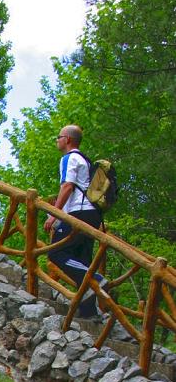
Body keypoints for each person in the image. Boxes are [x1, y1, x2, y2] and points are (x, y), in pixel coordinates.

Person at [44, 125, 107, 319]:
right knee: (81, 261)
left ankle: (95, 278)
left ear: (68, 140)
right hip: (93, 215)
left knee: (56, 253)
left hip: (79, 213)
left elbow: (67, 187)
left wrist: (54, 214)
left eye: (59, 136)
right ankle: (89, 314)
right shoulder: (85, 161)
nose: (57, 140)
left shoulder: (69, 158)